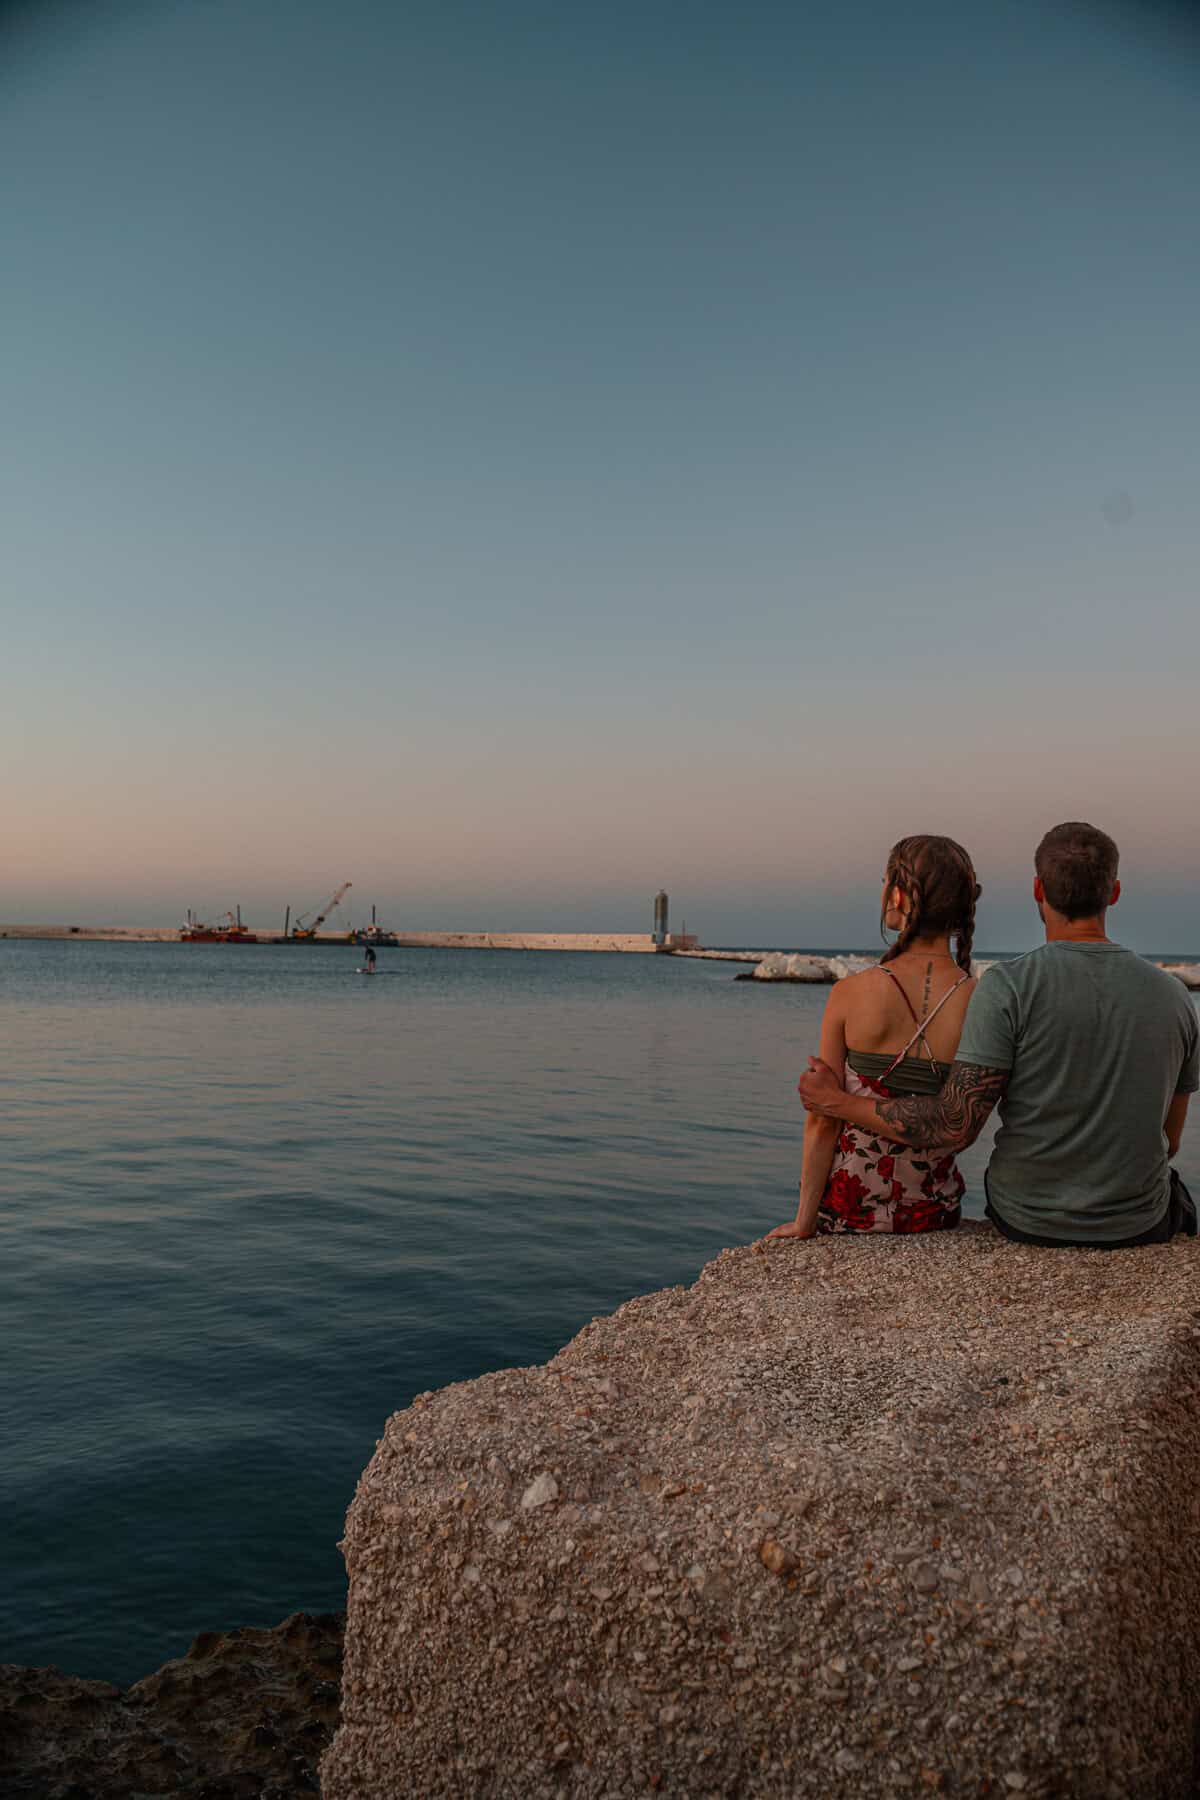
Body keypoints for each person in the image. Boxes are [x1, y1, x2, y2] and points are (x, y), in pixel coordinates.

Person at [797, 822, 1199, 1248]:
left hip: (1026, 1215)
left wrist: (838, 1102)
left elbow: (955, 1123)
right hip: (1138, 1222)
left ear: (1038, 890)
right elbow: (1169, 1142)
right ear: (1114, 892)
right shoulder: (1175, 995)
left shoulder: (1009, 986)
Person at [768, 834, 981, 1238]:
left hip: (850, 1214)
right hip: (936, 1214)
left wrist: (804, 1221)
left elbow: (822, 1117)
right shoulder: (979, 1000)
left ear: (899, 897)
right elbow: (965, 1122)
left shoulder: (849, 994)